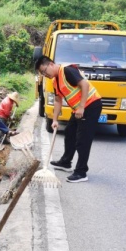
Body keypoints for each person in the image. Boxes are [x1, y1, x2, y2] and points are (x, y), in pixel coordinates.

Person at [34, 55, 102, 183]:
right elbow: (58, 101)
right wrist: (54, 120)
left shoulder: (67, 71)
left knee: (82, 140)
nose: (45, 74)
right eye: (42, 73)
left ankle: (81, 172)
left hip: (90, 106)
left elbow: (85, 85)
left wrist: (81, 107)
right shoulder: (55, 81)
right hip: (78, 109)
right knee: (70, 133)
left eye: (44, 71)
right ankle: (66, 162)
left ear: (51, 64)